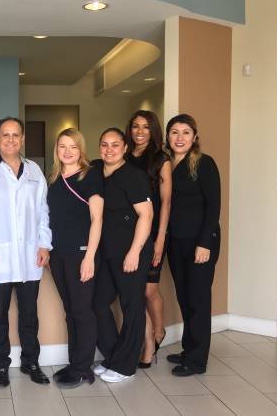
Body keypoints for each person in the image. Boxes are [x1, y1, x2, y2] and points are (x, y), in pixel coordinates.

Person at [0, 117, 52, 388]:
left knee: (29, 313)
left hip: (30, 254)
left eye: (16, 135)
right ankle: (1, 365)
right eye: (5, 135)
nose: (10, 140)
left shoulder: (34, 171)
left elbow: (43, 211)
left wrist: (44, 244)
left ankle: (31, 362)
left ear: (22, 139)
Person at [93, 128, 153, 383]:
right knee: (97, 303)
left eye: (115, 144)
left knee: (132, 307)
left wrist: (134, 252)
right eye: (104, 144)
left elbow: (146, 215)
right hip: (107, 252)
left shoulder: (133, 176)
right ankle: (114, 356)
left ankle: (126, 366)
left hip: (130, 251)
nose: (109, 149)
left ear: (125, 148)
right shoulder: (96, 171)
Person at [47, 128, 103, 389]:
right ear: (56, 150)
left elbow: (97, 219)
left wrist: (89, 257)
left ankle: (83, 368)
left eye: (73, 147)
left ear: (81, 150)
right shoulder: (54, 179)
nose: (67, 152)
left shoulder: (90, 176)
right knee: (70, 311)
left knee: (82, 311)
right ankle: (74, 363)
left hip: (81, 253)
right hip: (58, 254)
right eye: (62, 146)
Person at [165, 114, 221, 377]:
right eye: (174, 132)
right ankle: (189, 350)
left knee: (198, 299)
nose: (180, 138)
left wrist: (204, 243)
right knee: (184, 297)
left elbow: (213, 206)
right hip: (175, 241)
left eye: (186, 132)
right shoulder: (166, 164)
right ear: (168, 136)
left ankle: (197, 360)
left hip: (200, 242)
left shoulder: (204, 163)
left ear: (194, 136)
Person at [124, 110, 171, 368]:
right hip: (128, 233)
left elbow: (166, 202)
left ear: (153, 130)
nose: (140, 132)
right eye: (135, 126)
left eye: (145, 127)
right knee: (135, 291)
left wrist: (160, 238)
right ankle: (149, 339)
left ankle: (158, 332)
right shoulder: (123, 156)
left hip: (153, 233)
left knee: (148, 290)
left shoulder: (161, 159)